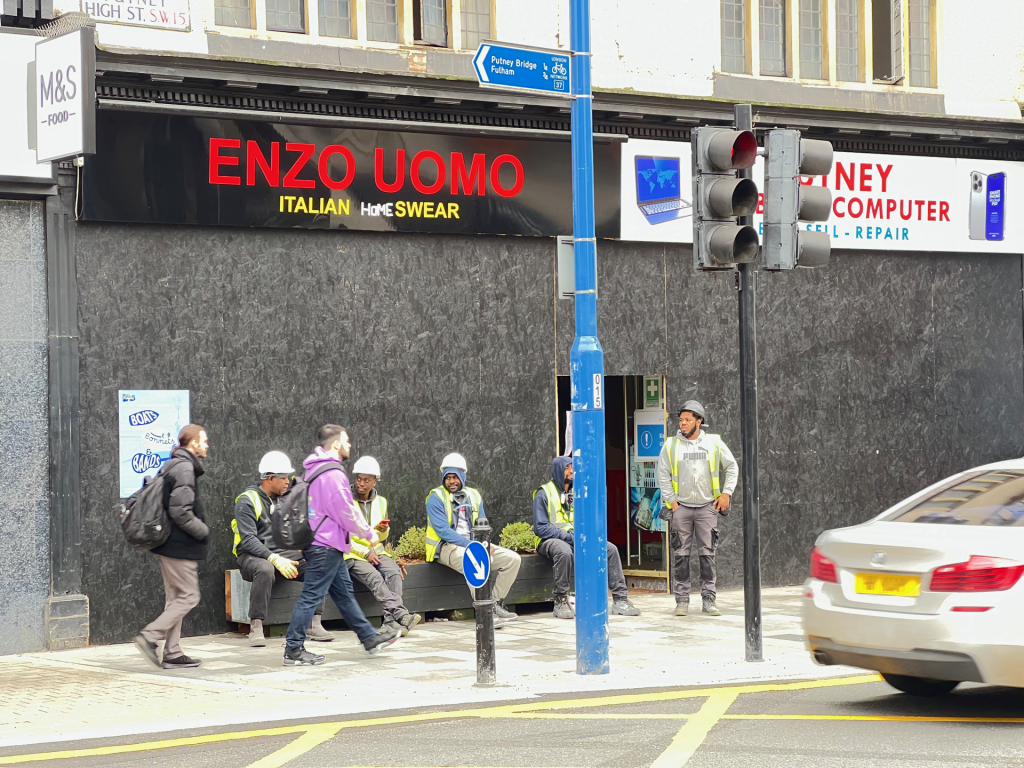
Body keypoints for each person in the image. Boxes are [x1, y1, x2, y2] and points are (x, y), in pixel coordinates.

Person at [283, 425, 399, 665]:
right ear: (336, 444)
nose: (350, 445)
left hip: (323, 544)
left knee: (344, 595)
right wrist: (368, 533)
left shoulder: (313, 470)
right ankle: (293, 649)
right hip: (325, 544)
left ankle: (369, 639)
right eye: (347, 441)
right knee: (311, 596)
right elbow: (345, 511)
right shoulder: (332, 473)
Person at [231, 450, 334, 647]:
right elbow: (248, 540)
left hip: (284, 552)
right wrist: (274, 558)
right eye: (283, 477)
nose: (288, 481)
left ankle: (314, 623)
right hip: (252, 555)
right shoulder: (247, 501)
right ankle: (256, 626)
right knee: (265, 569)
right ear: (270, 478)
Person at [133, 424, 210, 670]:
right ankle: (150, 636)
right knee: (189, 596)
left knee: (176, 598)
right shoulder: (185, 468)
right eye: (204, 441)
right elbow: (180, 511)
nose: (207, 445)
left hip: (168, 544)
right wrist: (203, 530)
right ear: (193, 443)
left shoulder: (173, 465)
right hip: (179, 546)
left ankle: (173, 652)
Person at [657, 401, 738, 617]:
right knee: (681, 556)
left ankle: (709, 600)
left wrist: (726, 493)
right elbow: (662, 473)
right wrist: (672, 501)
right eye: (681, 420)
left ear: (699, 421)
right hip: (681, 508)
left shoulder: (714, 443)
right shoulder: (671, 445)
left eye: (688, 420)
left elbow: (732, 466)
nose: (682, 423)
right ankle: (682, 601)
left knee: (707, 556)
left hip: (707, 508)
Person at [533, 457, 640, 619]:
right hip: (550, 539)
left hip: (577, 538)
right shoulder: (543, 493)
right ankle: (561, 600)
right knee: (564, 552)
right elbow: (540, 527)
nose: (571, 471)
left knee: (610, 549)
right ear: (558, 470)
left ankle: (620, 600)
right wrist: (567, 536)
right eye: (567, 468)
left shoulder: (579, 492)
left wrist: (586, 535)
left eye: (573, 467)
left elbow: (588, 520)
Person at [425, 453, 521, 624]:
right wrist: (473, 546)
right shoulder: (435, 497)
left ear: (463, 476)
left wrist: (485, 545)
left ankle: (494, 603)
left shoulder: (474, 495)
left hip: (473, 544)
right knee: (474, 557)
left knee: (513, 559)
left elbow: (482, 525)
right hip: (445, 547)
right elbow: (443, 531)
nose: (451, 481)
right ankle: (485, 612)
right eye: (448, 477)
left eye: (455, 477)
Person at [347, 456, 422, 637]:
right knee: (374, 577)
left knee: (393, 572)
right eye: (358, 479)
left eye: (366, 480)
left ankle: (390, 622)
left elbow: (380, 538)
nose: (361, 484)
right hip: (351, 554)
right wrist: (365, 553)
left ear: (375, 481)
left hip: (376, 551)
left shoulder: (381, 502)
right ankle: (401, 615)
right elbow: (341, 535)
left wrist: (383, 530)